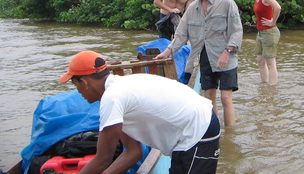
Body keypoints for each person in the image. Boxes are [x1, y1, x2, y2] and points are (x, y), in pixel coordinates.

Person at [59, 50, 220, 174]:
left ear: (84, 82)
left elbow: (103, 159)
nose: (79, 92)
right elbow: (133, 152)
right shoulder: (119, 89)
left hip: (197, 131)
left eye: (76, 85)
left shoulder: (112, 97)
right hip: (198, 125)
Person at [155, 0, 243, 126]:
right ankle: (215, 131)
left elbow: (236, 30)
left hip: (225, 56)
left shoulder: (226, 3)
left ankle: (230, 135)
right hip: (205, 55)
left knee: (225, 98)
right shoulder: (192, 8)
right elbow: (181, 34)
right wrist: (167, 52)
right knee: (209, 97)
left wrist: (227, 51)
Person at [243, 0, 281, 85]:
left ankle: (272, 89)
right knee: (260, 61)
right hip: (260, 33)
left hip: (270, 32)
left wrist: (272, 21)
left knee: (270, 63)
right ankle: (264, 85)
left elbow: (277, 7)